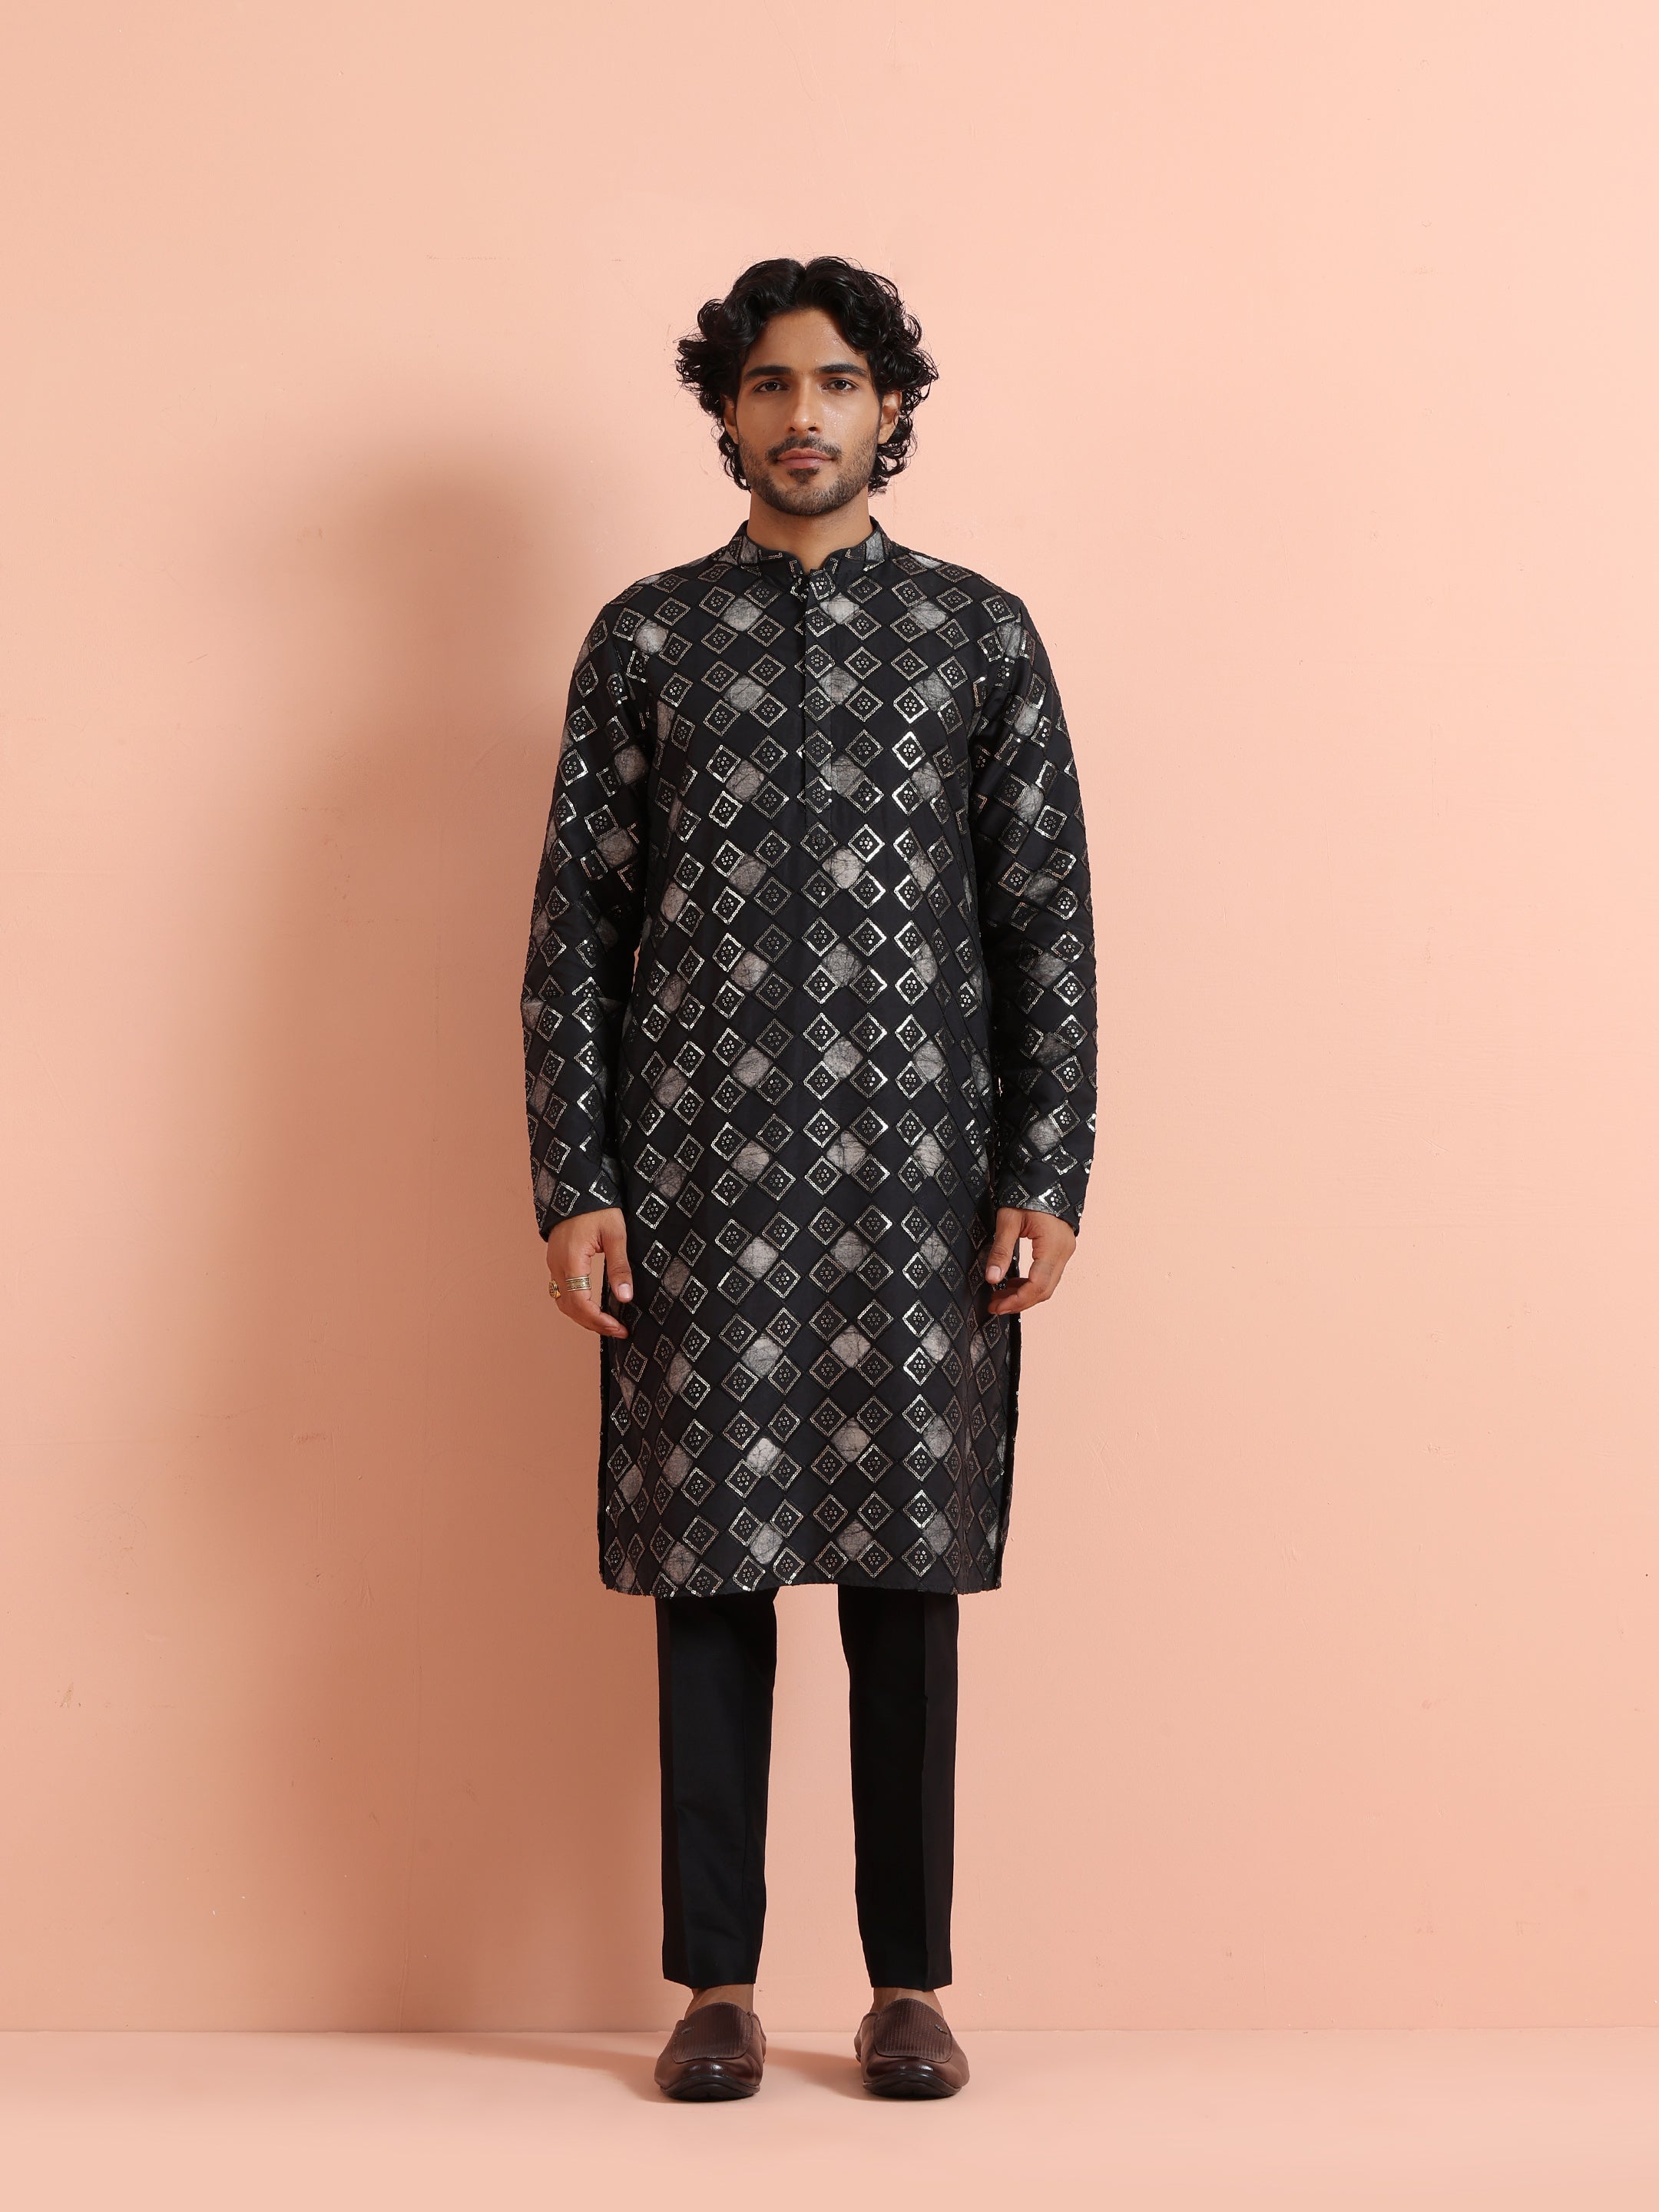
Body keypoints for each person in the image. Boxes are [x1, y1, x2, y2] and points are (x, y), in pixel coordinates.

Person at [521, 254, 1097, 2101]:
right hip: (701, 1183)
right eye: (770, 384)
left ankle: (908, 1984)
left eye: (838, 382)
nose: (803, 415)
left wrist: (1047, 1165)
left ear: (891, 409)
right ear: (726, 413)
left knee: (904, 1588)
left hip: (920, 1186)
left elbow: (1043, 921)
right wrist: (577, 1175)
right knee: (712, 1582)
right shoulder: (650, 641)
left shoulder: (974, 638)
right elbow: (578, 928)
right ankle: (715, 1988)